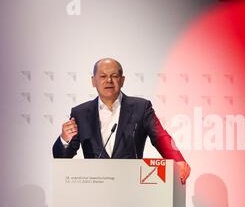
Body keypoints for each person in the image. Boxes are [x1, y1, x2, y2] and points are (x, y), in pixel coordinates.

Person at [52, 58, 190, 184]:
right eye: (103, 76)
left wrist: (178, 160)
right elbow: (61, 158)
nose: (109, 80)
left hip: (131, 184)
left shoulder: (141, 107)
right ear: (93, 81)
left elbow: (160, 137)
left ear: (122, 80)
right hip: (95, 186)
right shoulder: (80, 113)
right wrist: (64, 139)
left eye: (114, 76)